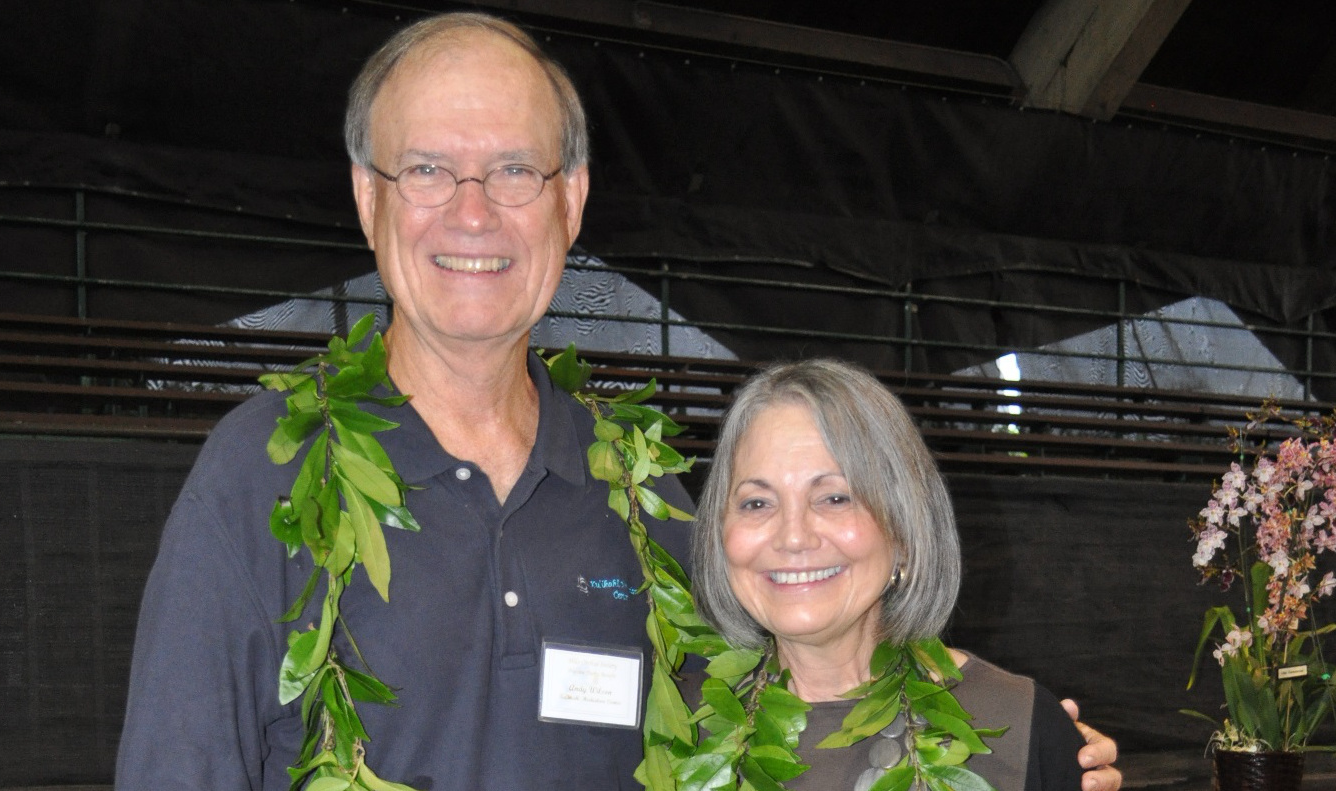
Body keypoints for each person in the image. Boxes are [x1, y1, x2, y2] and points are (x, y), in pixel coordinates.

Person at [116, 12, 1121, 791]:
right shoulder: (260, 473)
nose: (473, 211)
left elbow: (801, 640)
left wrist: (1005, 725)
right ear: (369, 197)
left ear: (572, 200)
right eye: (427, 168)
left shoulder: (649, 496)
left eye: (515, 169)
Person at [692, 358, 1096, 790]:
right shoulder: (674, 729)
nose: (793, 537)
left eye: (834, 498)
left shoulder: (1019, 727)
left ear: (903, 531)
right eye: (756, 503)